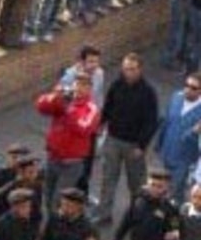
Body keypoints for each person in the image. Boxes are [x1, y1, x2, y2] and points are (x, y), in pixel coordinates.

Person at [94, 53, 159, 225]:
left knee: (136, 184)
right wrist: (101, 124)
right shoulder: (117, 85)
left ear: (140, 69)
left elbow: (151, 122)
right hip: (113, 139)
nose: (127, 73)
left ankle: (136, 216)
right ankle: (104, 214)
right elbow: (108, 106)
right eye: (125, 69)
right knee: (108, 179)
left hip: (133, 145)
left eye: (131, 69)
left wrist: (141, 146)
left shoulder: (148, 93)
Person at [37, 73, 101, 210]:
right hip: (53, 159)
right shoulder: (65, 100)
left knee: (58, 201)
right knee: (47, 198)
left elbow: (84, 128)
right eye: (77, 84)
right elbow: (41, 107)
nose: (78, 88)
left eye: (83, 85)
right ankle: (52, 225)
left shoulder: (91, 108)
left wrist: (67, 109)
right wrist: (55, 96)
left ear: (90, 89)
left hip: (71, 164)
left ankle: (57, 227)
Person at [156, 73, 201, 204]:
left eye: (193, 87)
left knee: (175, 193)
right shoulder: (176, 97)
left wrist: (194, 132)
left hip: (185, 160)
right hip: (167, 152)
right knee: (160, 189)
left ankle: (174, 221)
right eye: (186, 85)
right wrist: (159, 145)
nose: (188, 89)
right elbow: (166, 122)